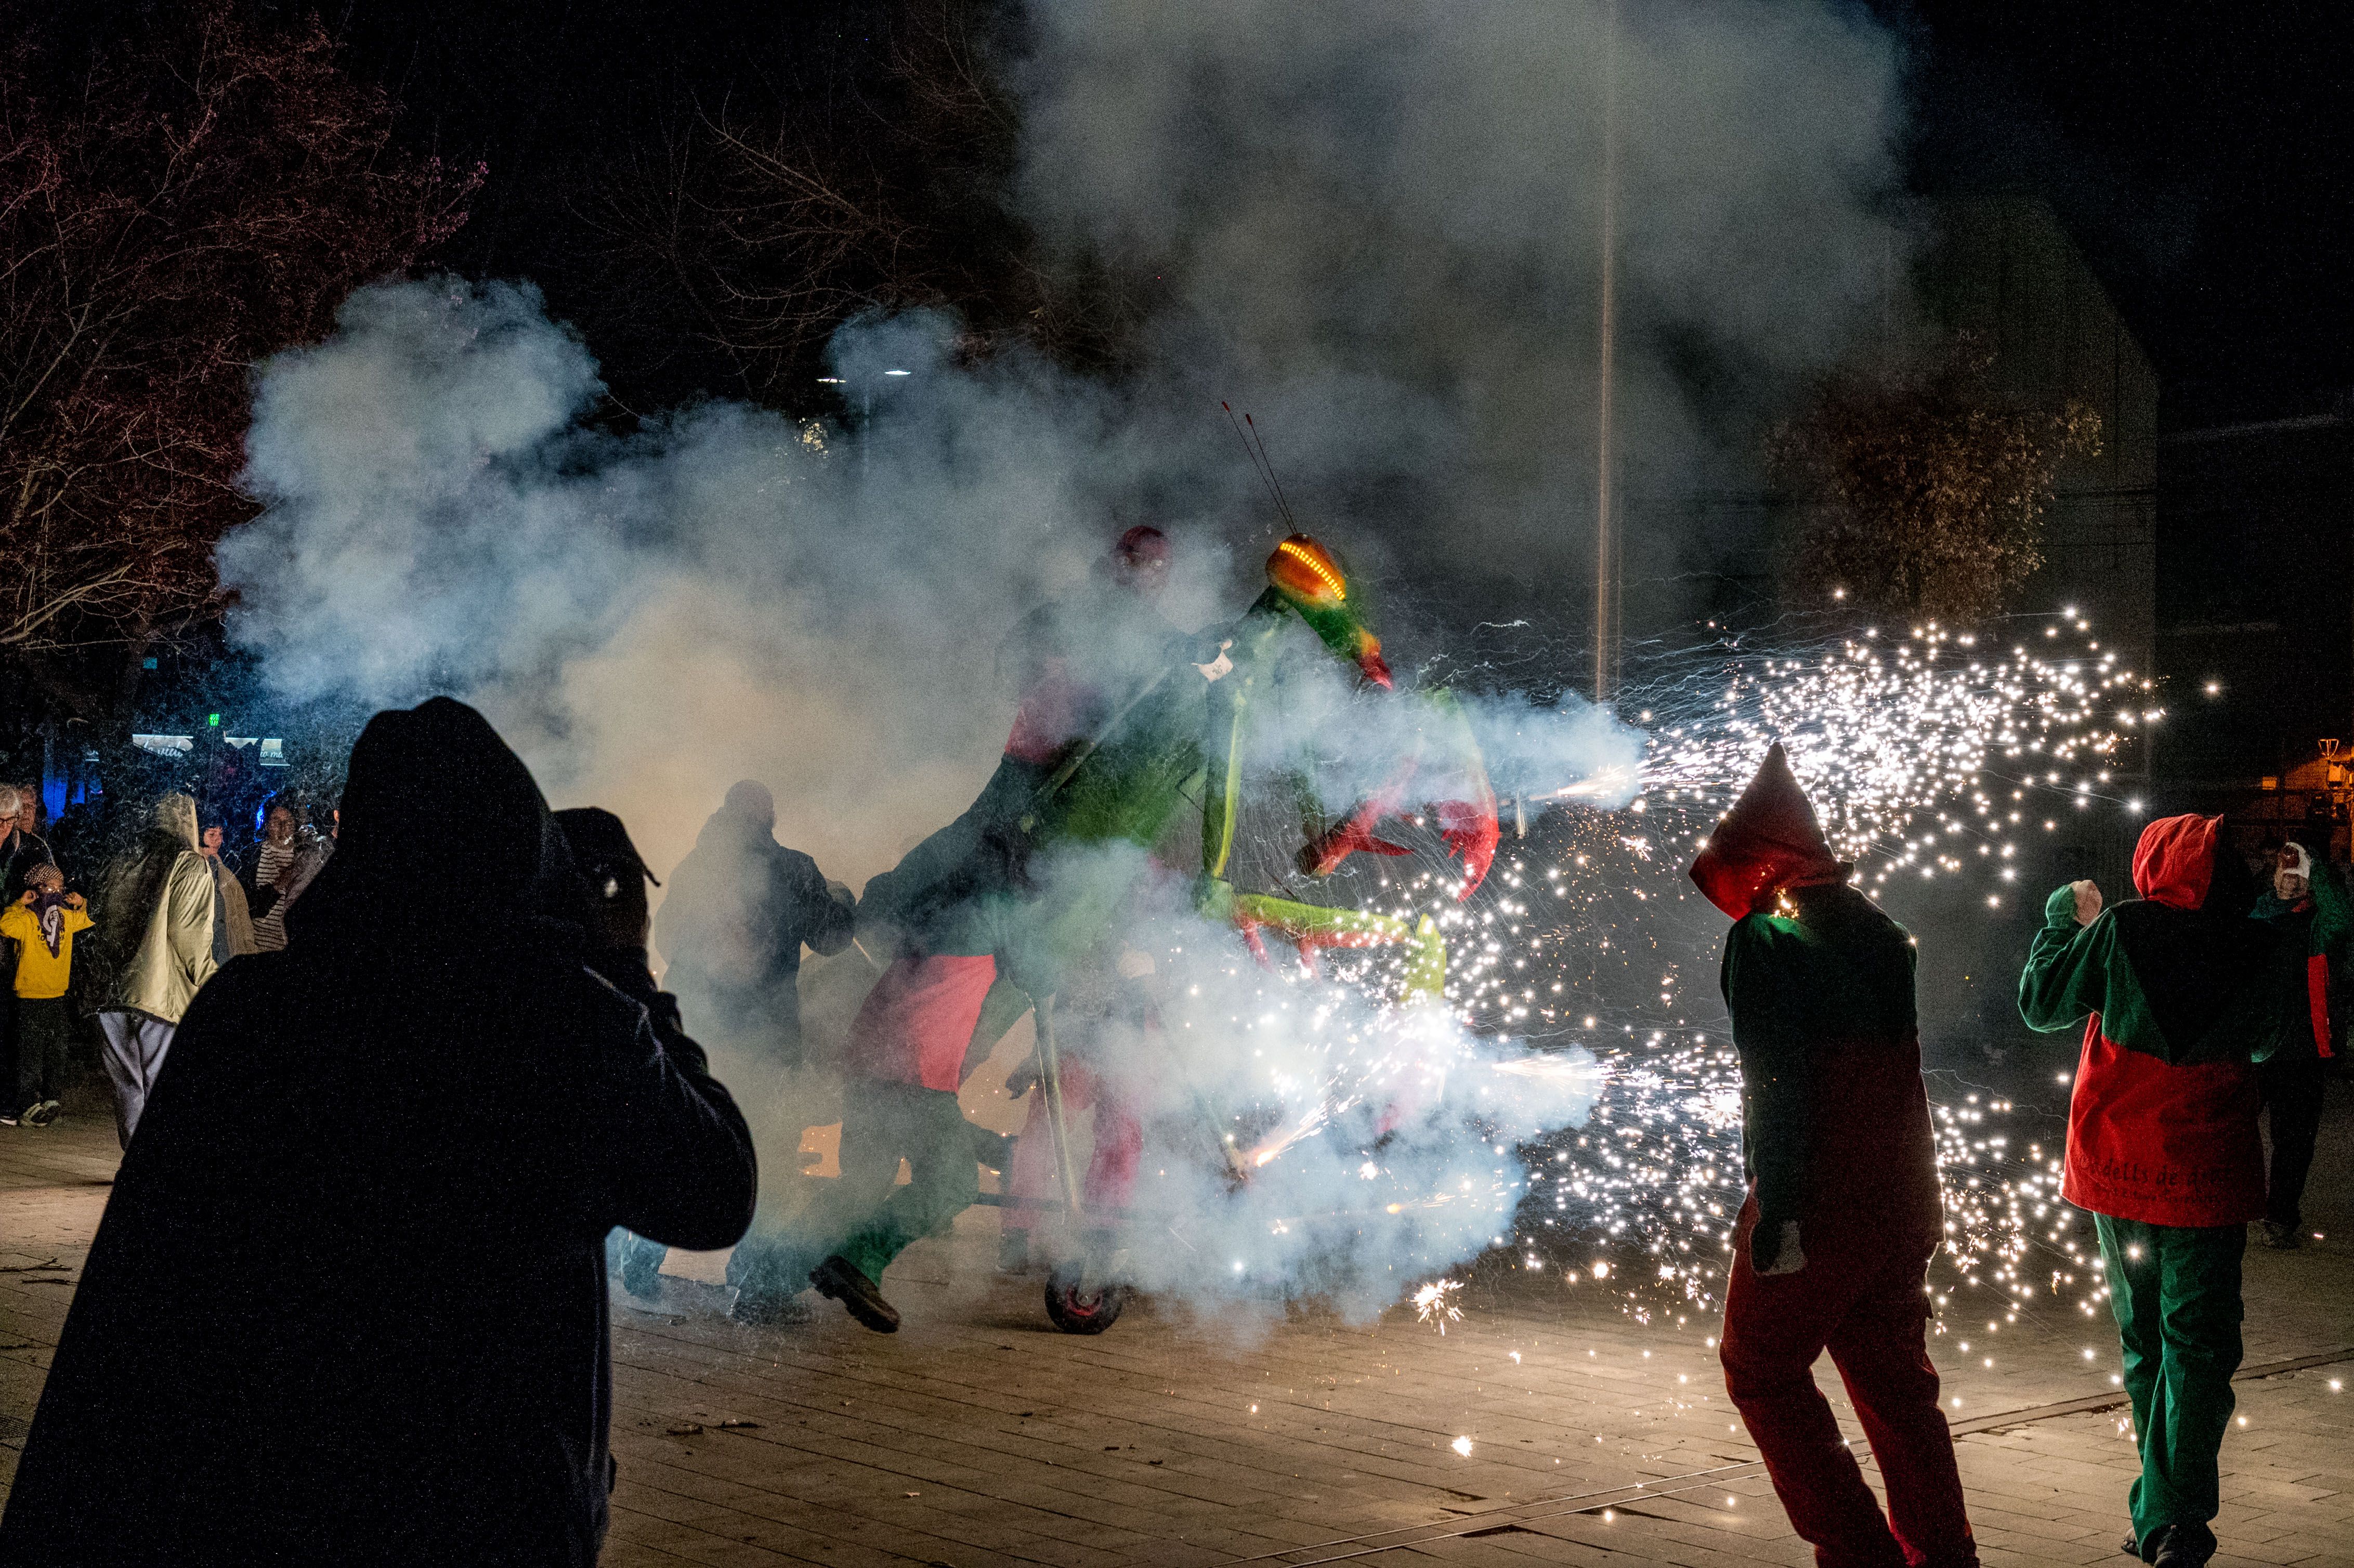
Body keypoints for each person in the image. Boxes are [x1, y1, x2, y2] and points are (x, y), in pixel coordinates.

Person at [0, 697, 757, 1566]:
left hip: (267, 1492)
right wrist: (627, 967)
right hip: (488, 1508)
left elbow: (139, 1295)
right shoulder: (559, 1023)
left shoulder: (252, 1014)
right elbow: (715, 1194)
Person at [1687, 742, 1978, 1568]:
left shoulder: (1766, 940)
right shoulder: (1881, 930)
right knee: (1898, 1391)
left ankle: (1856, 1552)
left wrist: (1778, 1213)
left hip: (1820, 1196)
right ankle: (1944, 1557)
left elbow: (1774, 1083)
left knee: (1760, 1368)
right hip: (1900, 1194)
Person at [2019, 813, 2278, 1568]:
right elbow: (2265, 1040)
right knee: (2199, 1348)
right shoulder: (2254, 939)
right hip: (2209, 1175)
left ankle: (2163, 1515)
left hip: (2119, 1170)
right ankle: (2175, 1518)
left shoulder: (2124, 927)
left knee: (2144, 1344)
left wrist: (2063, 920)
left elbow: (2041, 1004)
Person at [554, 804, 692, 1300]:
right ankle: (639, 1260)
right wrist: (630, 964)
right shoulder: (596, 1013)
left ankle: (635, 1260)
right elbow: (715, 1191)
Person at [654, 780, 854, 1072]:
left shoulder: (692, 868)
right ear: (769, 815)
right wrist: (841, 899)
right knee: (763, 1115)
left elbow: (665, 938)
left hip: (691, 1030)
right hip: (766, 1041)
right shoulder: (793, 868)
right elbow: (833, 939)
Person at [88, 793, 218, 1146]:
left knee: (127, 1086)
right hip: (157, 992)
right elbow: (188, 935)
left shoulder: (121, 860)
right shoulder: (190, 864)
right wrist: (213, 981)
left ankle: (135, 1159)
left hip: (109, 991)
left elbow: (99, 918)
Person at [2245, 841, 2345, 1248]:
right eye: (2285, 876)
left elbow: (2341, 918)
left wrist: (2314, 865)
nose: (2291, 884)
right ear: (2273, 879)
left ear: (2309, 885)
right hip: (2255, 1049)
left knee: (2295, 1142)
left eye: (2298, 878)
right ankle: (2225, 1208)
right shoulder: (2255, 918)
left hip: (2302, 1052)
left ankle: (2281, 1217)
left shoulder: (2317, 923)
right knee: (2232, 1130)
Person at [2, 864, 91, 1128]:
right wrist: (20, 903)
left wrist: (81, 902)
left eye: (60, 888)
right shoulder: (27, 919)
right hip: (30, 996)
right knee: (30, 1053)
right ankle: (28, 1105)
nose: (56, 893)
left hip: (57, 994)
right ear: (37, 889)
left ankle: (52, 1098)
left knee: (56, 1051)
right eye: (49, 888)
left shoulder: (65, 917)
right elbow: (5, 926)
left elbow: (87, 918)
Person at [243, 800, 299, 951]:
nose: (282, 828)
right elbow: (247, 906)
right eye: (276, 821)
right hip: (257, 947)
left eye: (287, 822)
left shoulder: (303, 856)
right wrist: (278, 885)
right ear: (266, 825)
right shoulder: (254, 855)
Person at [199, 817, 259, 959]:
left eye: (221, 834)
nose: (219, 841)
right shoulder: (193, 868)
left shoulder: (223, 871)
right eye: (212, 834)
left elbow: (242, 917)